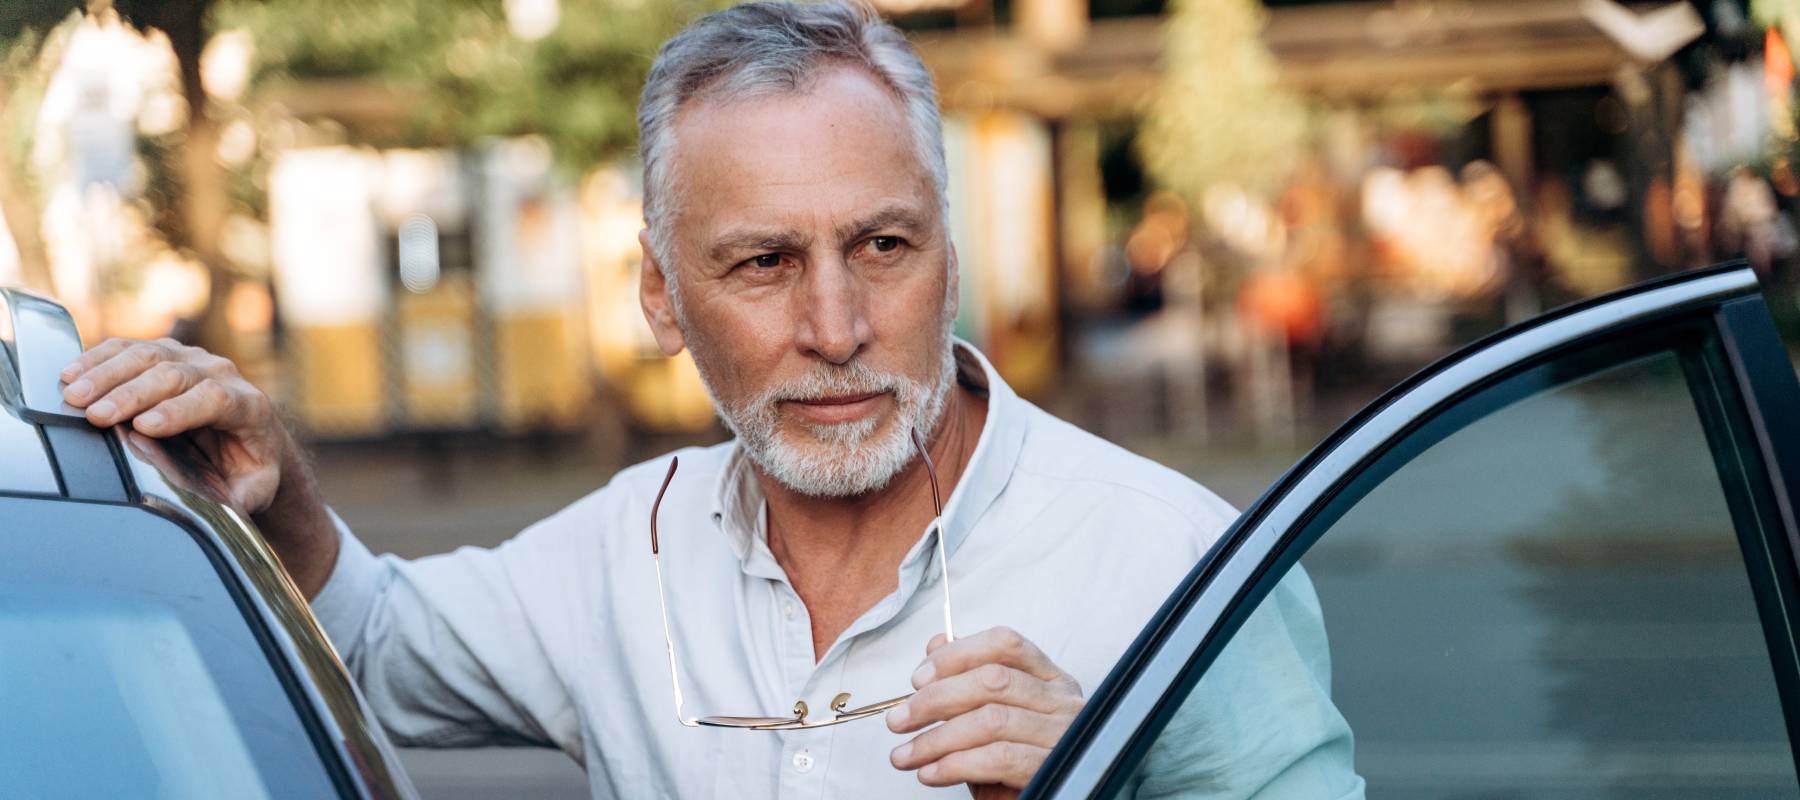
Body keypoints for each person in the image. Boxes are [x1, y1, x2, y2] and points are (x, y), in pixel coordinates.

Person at [56, 2, 1360, 797]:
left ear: (950, 263)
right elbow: (375, 651)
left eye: (883, 247)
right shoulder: (624, 548)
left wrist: (1104, 779)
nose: (837, 328)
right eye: (764, 264)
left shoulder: (1179, 561)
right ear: (663, 299)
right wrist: (277, 490)